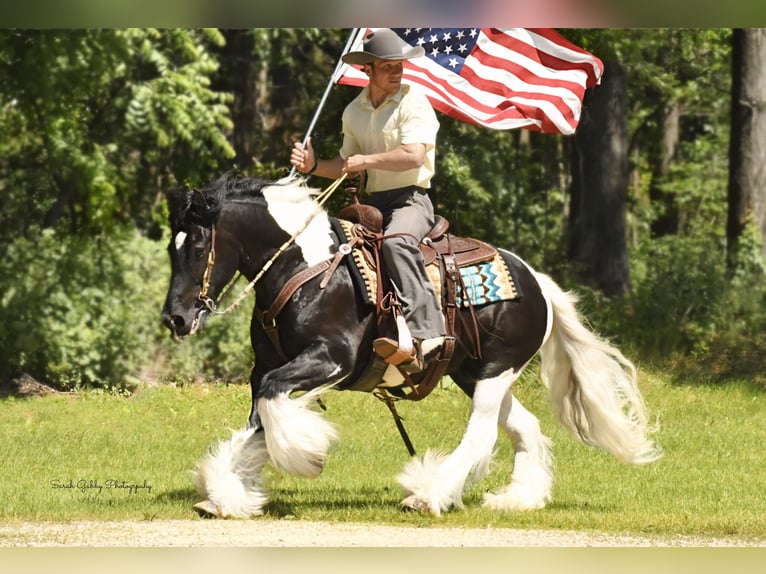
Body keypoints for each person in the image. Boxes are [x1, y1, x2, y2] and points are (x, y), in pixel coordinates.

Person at [290, 29, 447, 371]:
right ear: (368, 70)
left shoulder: (414, 101)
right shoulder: (353, 112)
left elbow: (414, 156)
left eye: (399, 65)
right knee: (332, 251)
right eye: (388, 65)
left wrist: (366, 162)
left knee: (396, 243)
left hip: (411, 200)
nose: (397, 70)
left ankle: (429, 333)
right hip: (372, 204)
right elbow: (346, 165)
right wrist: (314, 165)